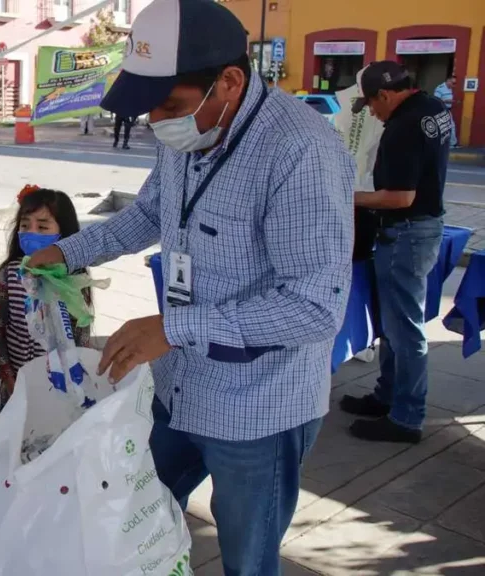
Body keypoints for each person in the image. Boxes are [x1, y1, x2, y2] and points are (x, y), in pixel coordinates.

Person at [26, 1, 353, 573]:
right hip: (180, 386)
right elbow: (150, 213)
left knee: (248, 559)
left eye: (169, 105)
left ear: (229, 81)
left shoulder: (300, 151)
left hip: (258, 404)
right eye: (147, 106)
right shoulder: (188, 131)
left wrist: (174, 327)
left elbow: (315, 306)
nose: (156, 120)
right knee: (138, 514)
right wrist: (68, 250)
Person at [342, 61, 451, 444]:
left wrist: (348, 197)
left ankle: (406, 417)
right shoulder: (434, 108)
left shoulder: (403, 126)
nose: (372, 113)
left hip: (406, 232)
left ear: (385, 95)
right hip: (420, 227)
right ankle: (386, 396)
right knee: (393, 325)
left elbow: (401, 196)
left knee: (404, 329)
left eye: (372, 105)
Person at [0, 185, 92, 410]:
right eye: (25, 225)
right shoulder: (10, 273)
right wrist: (7, 376)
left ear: (63, 233)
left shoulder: (74, 278)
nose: (31, 232)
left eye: (42, 226)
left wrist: (76, 377)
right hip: (16, 384)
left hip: (60, 387)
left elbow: (81, 336)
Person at [433, 73, 458, 147]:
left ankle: (452, 144)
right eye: (453, 83)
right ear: (448, 81)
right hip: (441, 110)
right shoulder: (440, 88)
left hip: (448, 110)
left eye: (455, 83)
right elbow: (436, 100)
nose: (454, 85)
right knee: (445, 127)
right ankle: (452, 144)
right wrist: (447, 101)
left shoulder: (449, 89)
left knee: (450, 127)